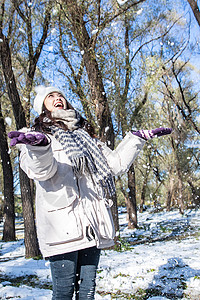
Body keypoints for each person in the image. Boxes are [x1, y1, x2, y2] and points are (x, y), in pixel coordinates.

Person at [8, 86, 172, 300]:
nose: (58, 98)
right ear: (42, 107)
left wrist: (136, 139)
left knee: (87, 291)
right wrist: (40, 148)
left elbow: (114, 165)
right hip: (61, 227)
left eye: (60, 95)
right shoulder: (36, 137)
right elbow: (41, 170)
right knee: (64, 292)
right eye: (51, 97)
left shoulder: (87, 138)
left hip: (92, 224)